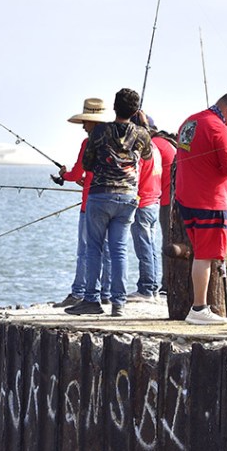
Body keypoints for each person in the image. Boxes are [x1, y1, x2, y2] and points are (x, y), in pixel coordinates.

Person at [65, 88, 152, 317]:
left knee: (94, 249)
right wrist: (143, 126)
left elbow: (88, 163)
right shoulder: (142, 134)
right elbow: (147, 156)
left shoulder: (100, 131)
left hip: (101, 195)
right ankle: (119, 304)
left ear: (114, 107)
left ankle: (91, 299)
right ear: (135, 111)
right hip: (128, 197)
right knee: (119, 251)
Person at [174, 92, 227, 325]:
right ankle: (199, 308)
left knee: (200, 253)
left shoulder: (190, 121)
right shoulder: (219, 129)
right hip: (209, 200)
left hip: (186, 198)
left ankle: (199, 307)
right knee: (205, 255)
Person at [53, 98, 111, 308]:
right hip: (112, 200)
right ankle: (106, 292)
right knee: (108, 251)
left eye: (85, 122)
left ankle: (79, 292)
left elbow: (77, 172)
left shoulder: (88, 143)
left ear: (92, 122)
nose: (83, 127)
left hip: (91, 203)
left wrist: (65, 175)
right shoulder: (115, 139)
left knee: (85, 251)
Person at [126, 110, 163, 302]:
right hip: (154, 202)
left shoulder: (139, 150)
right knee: (150, 246)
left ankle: (147, 289)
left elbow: (134, 177)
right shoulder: (154, 148)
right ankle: (152, 286)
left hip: (142, 204)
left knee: (144, 247)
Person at [150, 121, 177, 295]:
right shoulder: (165, 142)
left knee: (167, 243)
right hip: (175, 198)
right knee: (172, 241)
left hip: (167, 200)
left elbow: (148, 173)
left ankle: (167, 285)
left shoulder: (154, 145)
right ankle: (169, 283)